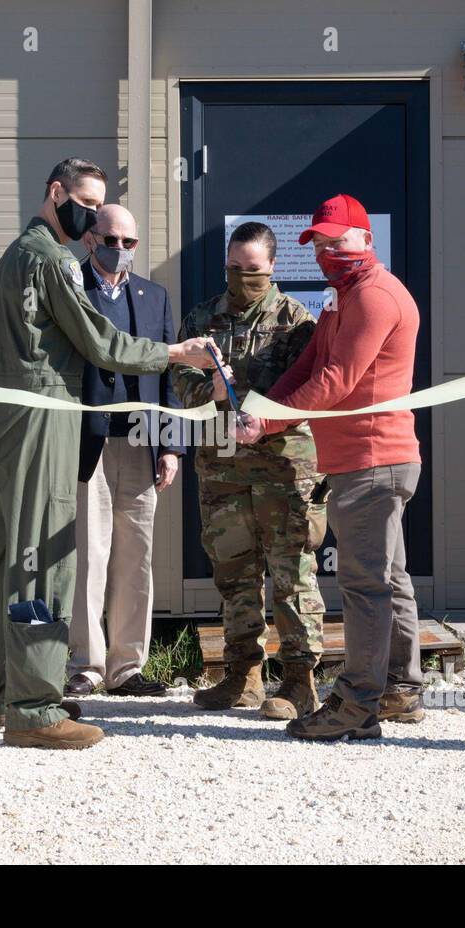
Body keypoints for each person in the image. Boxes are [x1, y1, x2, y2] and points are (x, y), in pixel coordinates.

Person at [0, 157, 219, 749]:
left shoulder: (14, 255)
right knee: (46, 556)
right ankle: (35, 710)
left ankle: (13, 689)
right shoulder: (51, 259)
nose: (93, 223)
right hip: (45, 418)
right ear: (56, 192)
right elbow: (100, 342)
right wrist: (174, 354)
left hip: (16, 417)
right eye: (87, 205)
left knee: (17, 553)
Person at [236, 194, 424, 741]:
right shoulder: (344, 297)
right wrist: (264, 407)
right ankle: (400, 689)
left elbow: (337, 380)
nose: (326, 252)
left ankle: (356, 705)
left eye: (336, 242)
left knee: (364, 585)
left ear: (366, 239)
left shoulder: (374, 297)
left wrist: (265, 423)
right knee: (389, 578)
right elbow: (309, 363)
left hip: (373, 460)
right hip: (365, 460)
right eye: (318, 244)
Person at [175, 221, 327, 720]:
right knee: (234, 573)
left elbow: (308, 388)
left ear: (274, 267)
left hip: (283, 467)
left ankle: (300, 681)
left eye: (254, 270)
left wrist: (265, 420)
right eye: (234, 269)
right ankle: (243, 676)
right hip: (221, 467)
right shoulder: (203, 317)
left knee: (291, 575)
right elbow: (181, 377)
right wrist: (213, 393)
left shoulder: (297, 320)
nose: (243, 278)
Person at [66, 205, 182, 698]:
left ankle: (127, 667)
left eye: (129, 242)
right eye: (111, 238)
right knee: (89, 554)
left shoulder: (154, 297)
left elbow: (171, 375)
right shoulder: (70, 288)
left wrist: (171, 446)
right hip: (86, 440)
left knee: (136, 556)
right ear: (90, 239)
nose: (120, 249)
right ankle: (86, 666)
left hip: (141, 439)